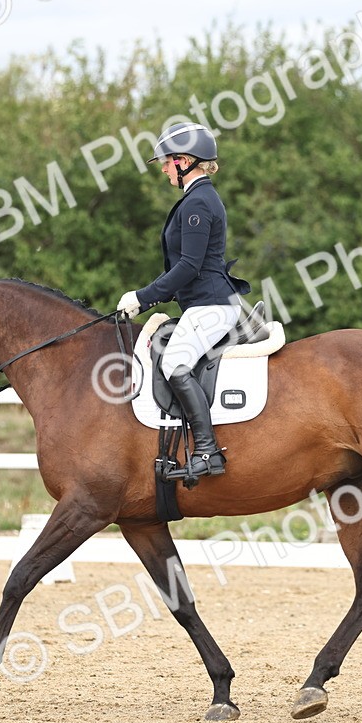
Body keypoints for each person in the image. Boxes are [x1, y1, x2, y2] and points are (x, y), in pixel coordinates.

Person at [117, 122, 251, 482]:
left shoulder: (198, 202)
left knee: (174, 362)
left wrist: (143, 297)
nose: (162, 168)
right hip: (205, 303)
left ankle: (207, 451)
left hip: (212, 305)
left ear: (185, 160)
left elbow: (189, 266)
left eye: (166, 161)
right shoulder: (197, 199)